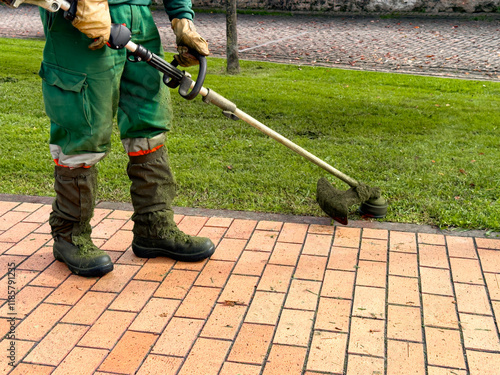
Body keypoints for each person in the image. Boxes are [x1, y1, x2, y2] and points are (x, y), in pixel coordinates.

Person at [39, 0, 214, 277]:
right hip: (81, 23)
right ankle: (70, 235)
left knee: (149, 125)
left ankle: (154, 226)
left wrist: (183, 19)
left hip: (139, 20)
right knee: (82, 129)